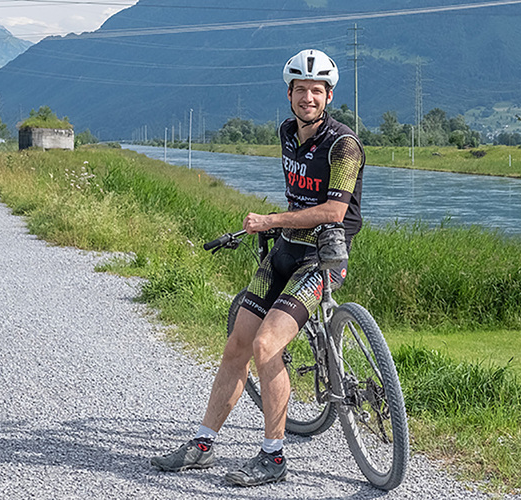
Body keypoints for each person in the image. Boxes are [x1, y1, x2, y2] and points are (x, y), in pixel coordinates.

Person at [151, 48, 366, 487]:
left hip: (321, 258)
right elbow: (299, 195)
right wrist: (277, 229)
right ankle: (203, 444)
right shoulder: (288, 132)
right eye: (300, 89)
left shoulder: (344, 146)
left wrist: (269, 220)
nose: (308, 97)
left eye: (316, 90)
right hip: (285, 250)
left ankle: (274, 457)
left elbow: (332, 209)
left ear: (329, 96)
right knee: (238, 344)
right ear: (289, 94)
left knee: (267, 345)